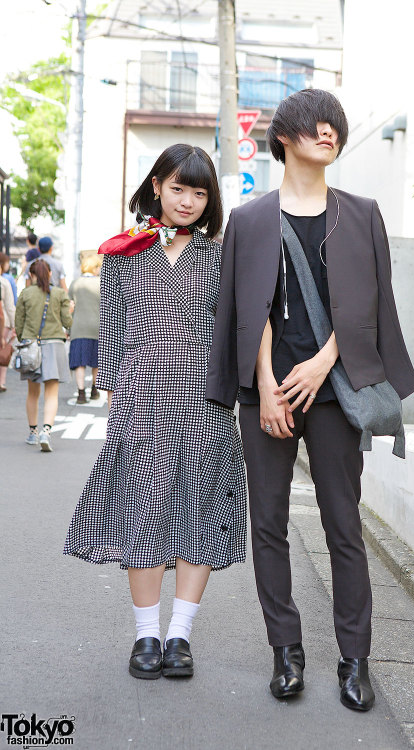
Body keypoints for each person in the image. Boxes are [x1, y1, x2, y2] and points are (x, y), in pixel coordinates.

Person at [207, 89, 414, 710]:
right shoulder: (249, 220)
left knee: (343, 524)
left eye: (335, 126)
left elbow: (371, 304)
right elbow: (250, 308)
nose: (328, 133)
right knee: (268, 524)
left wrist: (324, 360)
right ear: (285, 138)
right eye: (314, 125)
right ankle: (287, 652)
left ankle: (356, 659)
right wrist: (269, 386)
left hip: (335, 392)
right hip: (270, 394)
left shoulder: (362, 213)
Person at [64, 144, 246, 681]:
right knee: (144, 515)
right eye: (177, 188)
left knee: (201, 516)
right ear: (156, 188)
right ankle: (146, 634)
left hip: (205, 407)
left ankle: (180, 636)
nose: (187, 200)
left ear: (209, 199)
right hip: (141, 405)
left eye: (199, 191)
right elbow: (114, 334)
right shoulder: (123, 254)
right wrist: (117, 398)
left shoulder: (220, 256)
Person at [15, 258, 72, 451]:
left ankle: (32, 432)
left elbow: (19, 325)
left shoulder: (25, 294)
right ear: (49, 274)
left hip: (32, 346)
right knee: (51, 393)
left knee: (33, 393)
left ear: (31, 275)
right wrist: (70, 310)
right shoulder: (58, 294)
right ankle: (46, 431)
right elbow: (67, 322)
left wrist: (25, 340)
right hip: (54, 345)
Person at [68, 255, 101, 404]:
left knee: (79, 362)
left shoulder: (75, 283)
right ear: (94, 268)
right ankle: (94, 389)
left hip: (79, 327)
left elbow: (70, 307)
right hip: (98, 328)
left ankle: (81, 393)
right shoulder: (102, 283)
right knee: (96, 362)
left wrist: (67, 327)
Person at [0, 253, 16, 392]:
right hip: (3, 321)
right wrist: (13, 324)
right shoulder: (5, 281)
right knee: (3, 351)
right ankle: (2, 381)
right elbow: (10, 306)